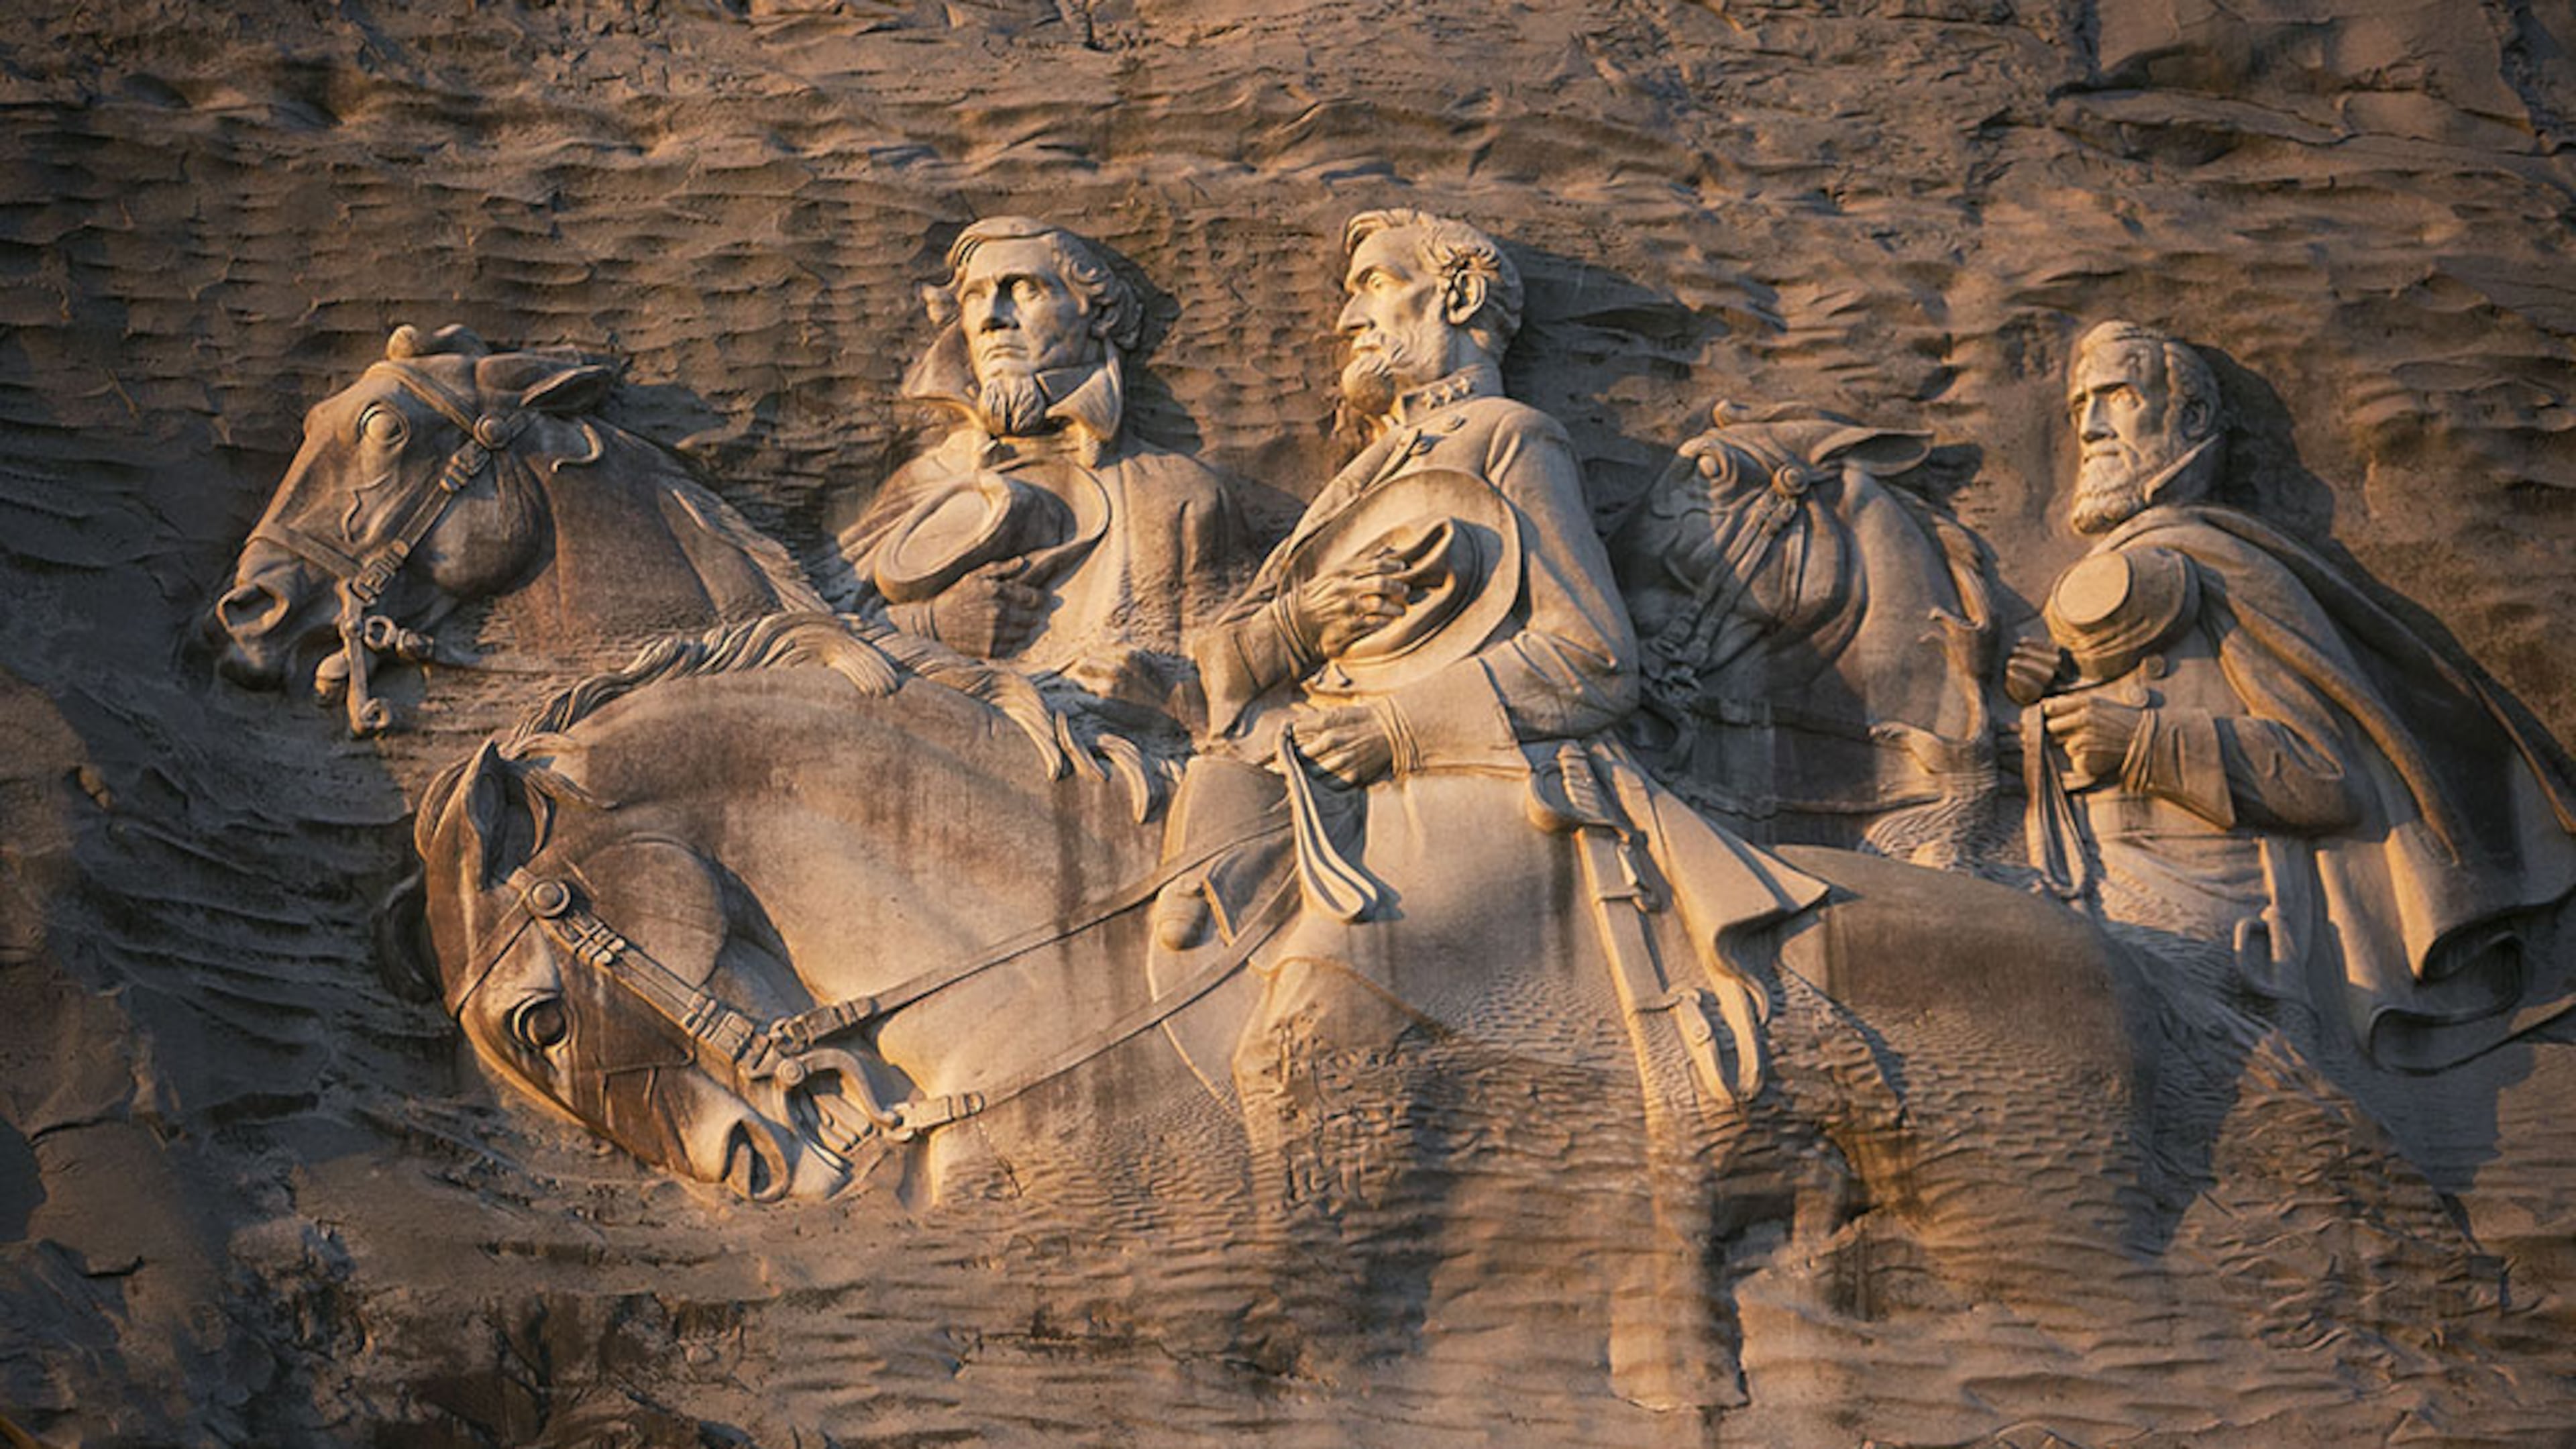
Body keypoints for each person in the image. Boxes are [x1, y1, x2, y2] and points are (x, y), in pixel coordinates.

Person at [2019, 319, 2576, 1069]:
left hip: (2214, 935)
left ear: (2192, 420)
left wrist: (2146, 744)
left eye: (2116, 396)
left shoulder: (2224, 569)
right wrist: (2023, 710)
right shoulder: (2122, 579)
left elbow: (2326, 778)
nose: (2088, 427)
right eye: (2079, 406)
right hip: (2084, 894)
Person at [831, 217, 1240, 710]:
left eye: (1024, 290)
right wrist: (933, 622)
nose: (992, 319)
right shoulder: (926, 479)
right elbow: (816, 628)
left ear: (1099, 314)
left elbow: (1246, 687)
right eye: (975, 298)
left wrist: (1167, 696)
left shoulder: (1179, 497)